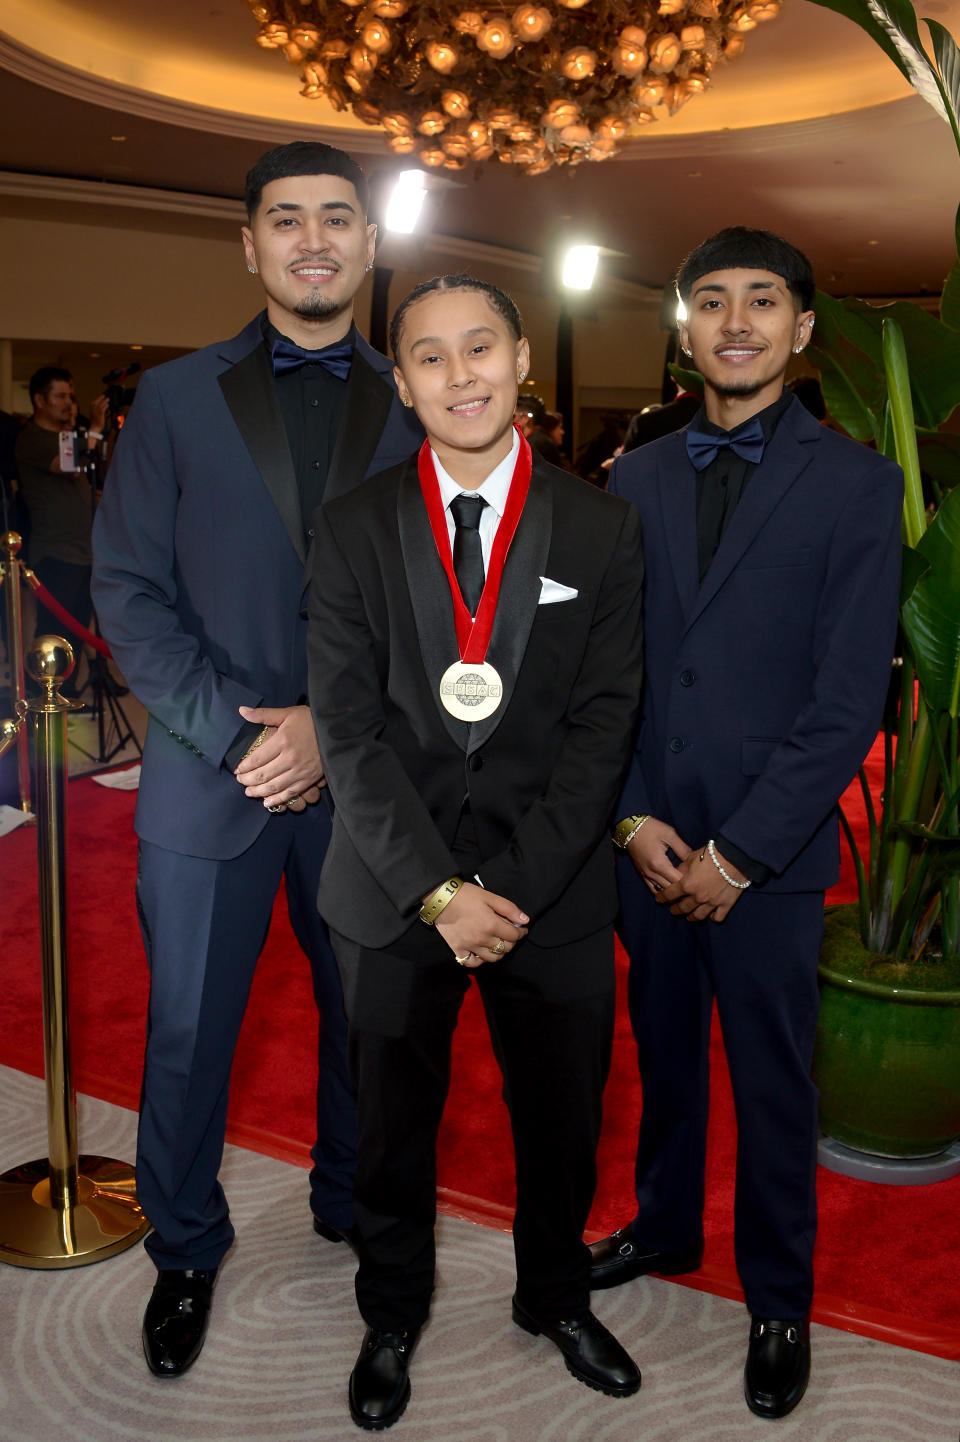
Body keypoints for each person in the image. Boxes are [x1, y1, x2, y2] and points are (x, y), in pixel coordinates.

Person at [91, 140, 423, 1379]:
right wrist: (244, 731)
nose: (314, 239)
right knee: (186, 1029)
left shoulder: (421, 398)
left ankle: (349, 1196)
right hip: (204, 772)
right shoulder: (175, 397)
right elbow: (128, 588)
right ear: (250, 245)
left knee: (367, 1022)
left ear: (370, 243)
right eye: (287, 219)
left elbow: (448, 603)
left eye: (338, 218)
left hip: (368, 776)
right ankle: (184, 1245)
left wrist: (330, 731)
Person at [307, 275, 645, 1431]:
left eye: (481, 347)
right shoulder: (352, 525)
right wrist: (439, 891)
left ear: (519, 363)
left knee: (561, 1122)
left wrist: (503, 889)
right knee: (393, 1132)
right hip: (394, 889)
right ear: (401, 384)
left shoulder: (599, 523)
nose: (462, 375)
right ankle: (391, 1307)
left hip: (551, 890)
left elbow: (606, 726)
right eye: (432, 358)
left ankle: (553, 1293)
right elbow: (346, 731)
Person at [592, 227, 903, 1419]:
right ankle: (665, 1229)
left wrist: (736, 854)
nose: (735, 321)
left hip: (764, 863)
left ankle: (779, 1296)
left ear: (801, 327)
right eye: (710, 300)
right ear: (682, 327)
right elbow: (610, 675)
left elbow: (843, 705)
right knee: (664, 1058)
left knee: (774, 1084)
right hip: (650, 843)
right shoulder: (637, 475)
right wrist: (630, 823)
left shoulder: (860, 485)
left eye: (761, 301)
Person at [16, 367, 108, 698]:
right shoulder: (33, 439)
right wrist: (95, 428)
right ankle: (40, 707)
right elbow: (68, 466)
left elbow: (83, 472)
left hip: (82, 551)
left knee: (77, 634)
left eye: (71, 396)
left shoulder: (66, 437)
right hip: (56, 553)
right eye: (60, 396)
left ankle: (63, 701)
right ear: (39, 400)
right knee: (55, 635)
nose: (69, 404)